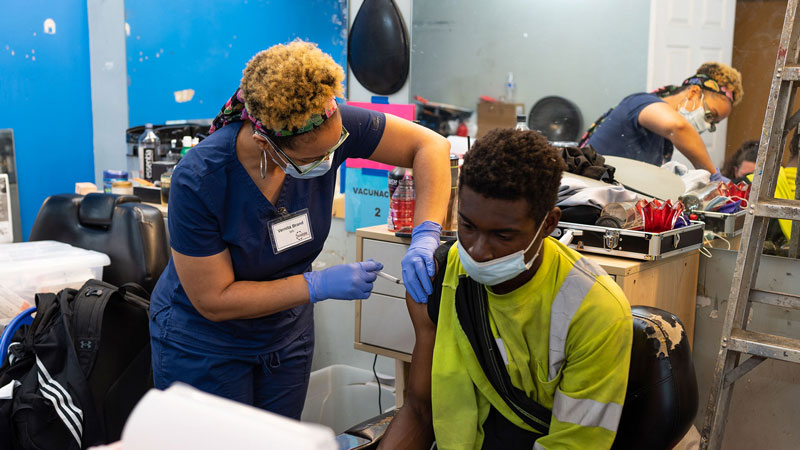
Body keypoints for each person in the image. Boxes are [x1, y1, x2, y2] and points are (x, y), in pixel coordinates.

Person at [149, 40, 450, 419]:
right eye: (314, 159)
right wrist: (317, 285)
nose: (330, 159)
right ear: (266, 144)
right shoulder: (200, 178)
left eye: (335, 148)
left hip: (286, 334)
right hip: (205, 343)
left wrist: (425, 235)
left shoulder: (325, 121)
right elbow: (214, 299)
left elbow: (432, 146)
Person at [380, 128, 633, 449]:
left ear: (549, 224)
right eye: (468, 226)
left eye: (503, 235)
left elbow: (572, 444)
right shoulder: (440, 276)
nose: (478, 251)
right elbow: (419, 409)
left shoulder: (595, 311)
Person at [580, 62, 743, 182]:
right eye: (710, 115)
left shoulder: (663, 143)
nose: (707, 125)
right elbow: (678, 127)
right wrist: (713, 175)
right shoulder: (640, 102)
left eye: (713, 123)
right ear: (694, 92)